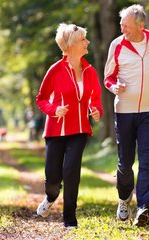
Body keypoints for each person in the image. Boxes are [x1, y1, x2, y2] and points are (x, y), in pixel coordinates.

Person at [104, 4, 149, 227]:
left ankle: (144, 209)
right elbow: (108, 78)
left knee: (147, 162)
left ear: (140, 25)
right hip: (124, 111)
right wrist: (114, 87)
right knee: (125, 165)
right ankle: (124, 199)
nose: (122, 28)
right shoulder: (117, 45)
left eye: (126, 25)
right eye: (121, 24)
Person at [35, 23, 103, 230]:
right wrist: (54, 110)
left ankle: (70, 220)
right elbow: (41, 98)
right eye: (83, 39)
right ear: (72, 44)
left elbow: (95, 98)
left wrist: (96, 109)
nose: (87, 42)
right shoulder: (55, 70)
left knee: (71, 171)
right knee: (53, 179)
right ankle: (50, 197)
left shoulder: (90, 71)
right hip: (56, 130)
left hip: (80, 128)